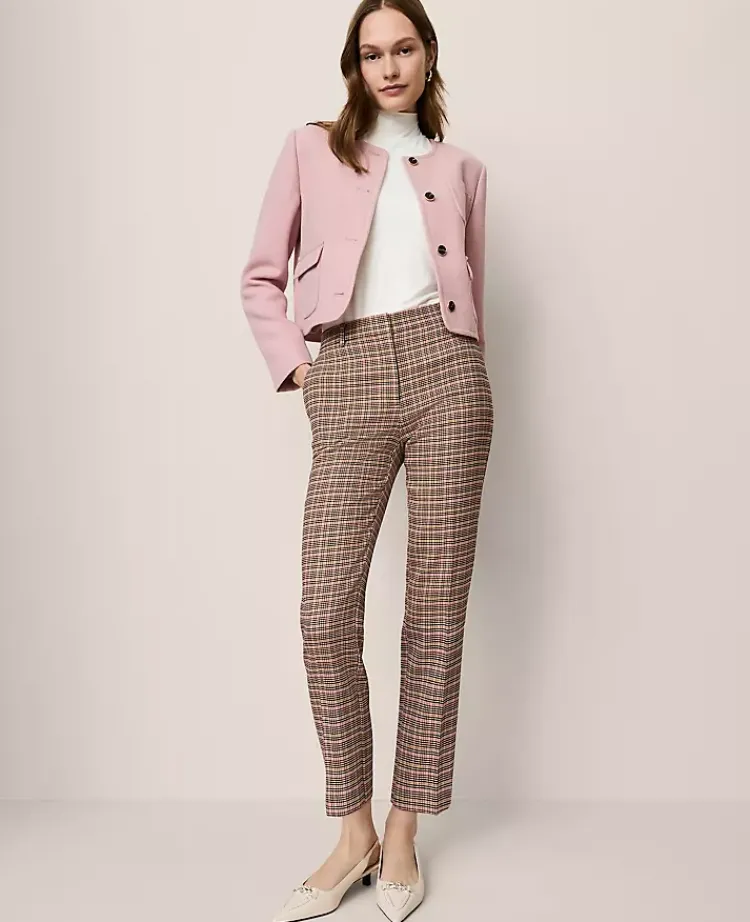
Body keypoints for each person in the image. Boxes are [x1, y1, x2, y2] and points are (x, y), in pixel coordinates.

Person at [239, 1, 493, 919]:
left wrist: (464, 365)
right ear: (353, 65)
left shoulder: (462, 170)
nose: (389, 67)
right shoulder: (311, 149)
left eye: (404, 48)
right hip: (345, 367)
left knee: (436, 610)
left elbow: (472, 289)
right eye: (372, 53)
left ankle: (403, 830)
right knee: (325, 612)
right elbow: (260, 275)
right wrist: (304, 369)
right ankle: (352, 830)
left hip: (446, 372)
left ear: (428, 55)